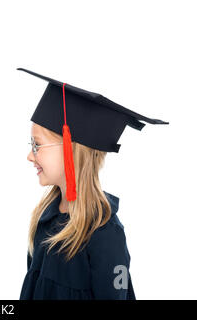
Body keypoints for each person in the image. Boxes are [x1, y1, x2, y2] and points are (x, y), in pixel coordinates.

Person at [17, 68, 168, 299]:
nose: (30, 155)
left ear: (72, 150)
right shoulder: (44, 218)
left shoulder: (104, 233)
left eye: (37, 144)